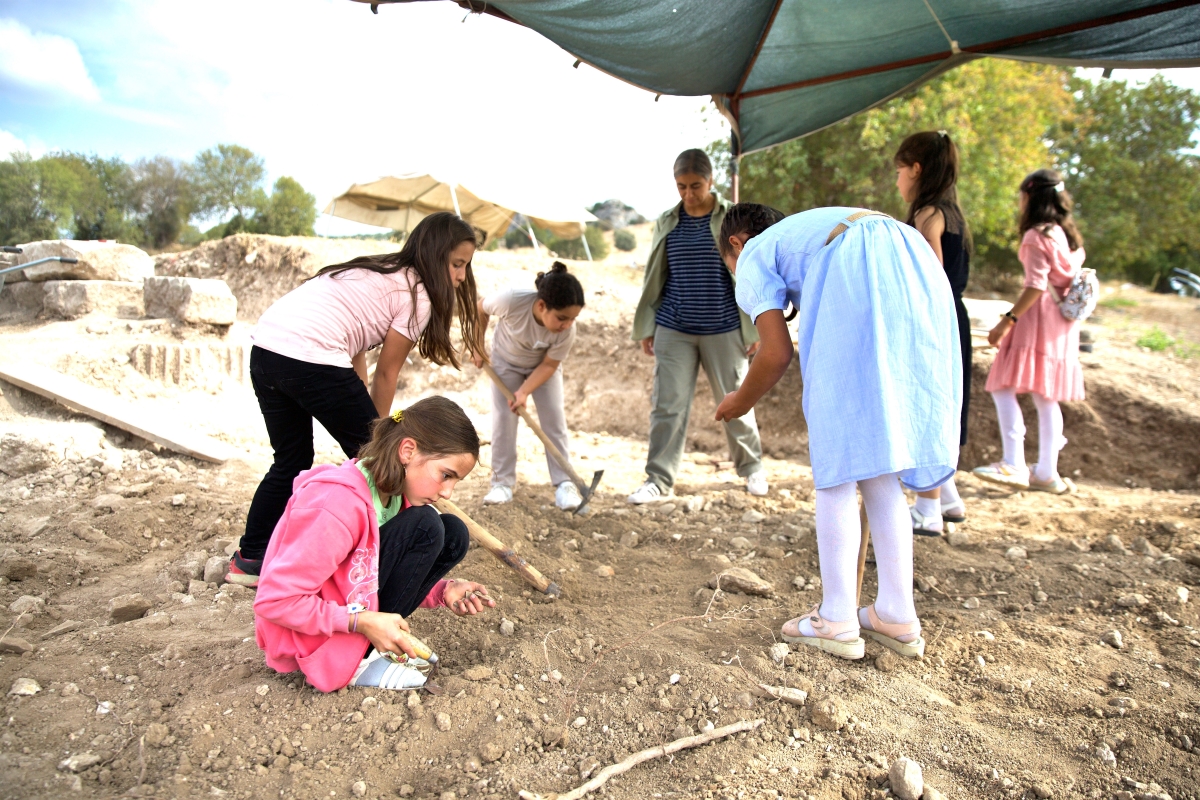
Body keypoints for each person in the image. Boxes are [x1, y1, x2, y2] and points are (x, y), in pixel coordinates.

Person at [714, 204, 960, 661]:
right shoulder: (804, 234)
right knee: (877, 458)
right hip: (913, 260)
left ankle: (837, 617)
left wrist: (741, 400)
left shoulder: (751, 254)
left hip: (858, 263)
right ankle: (896, 612)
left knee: (839, 458)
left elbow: (776, 353)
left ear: (735, 243)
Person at [227, 212, 484, 588]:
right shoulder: (417, 294)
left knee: (290, 459)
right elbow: (386, 373)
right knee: (383, 465)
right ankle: (374, 558)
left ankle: (250, 558)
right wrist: (381, 438)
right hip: (311, 356)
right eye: (457, 264)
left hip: (267, 351)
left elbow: (355, 345)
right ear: (433, 255)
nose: (461, 277)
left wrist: (367, 423)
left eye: (466, 266)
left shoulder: (375, 271)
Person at [254, 396, 496, 692]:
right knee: (427, 526)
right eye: (445, 475)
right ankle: (355, 660)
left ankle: (367, 648)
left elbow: (365, 571)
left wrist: (441, 590)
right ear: (407, 450)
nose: (447, 492)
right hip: (307, 636)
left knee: (453, 532)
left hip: (349, 610)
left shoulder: (394, 497)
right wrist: (361, 621)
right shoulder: (337, 504)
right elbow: (274, 601)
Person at [628, 148, 767, 504]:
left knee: (737, 398)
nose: (688, 194)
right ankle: (658, 480)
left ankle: (752, 468)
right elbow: (655, 275)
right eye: (681, 186)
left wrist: (753, 328)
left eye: (695, 186)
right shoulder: (667, 220)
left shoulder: (730, 218)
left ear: (711, 181)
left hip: (723, 327)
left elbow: (748, 273)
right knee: (667, 406)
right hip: (674, 327)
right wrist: (648, 326)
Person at [973, 169, 1086, 494]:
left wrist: (1007, 320)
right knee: (1045, 395)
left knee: (1001, 385)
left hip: (1037, 319)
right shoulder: (1065, 234)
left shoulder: (1036, 236)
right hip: (1063, 323)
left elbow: (1035, 286)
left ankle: (1013, 463)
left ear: (1030, 197)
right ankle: (1047, 471)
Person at [894, 130, 973, 535]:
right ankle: (949, 497)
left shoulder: (927, 216)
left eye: (900, 171)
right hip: (955, 318)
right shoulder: (954, 213)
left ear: (917, 169)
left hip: (934, 321)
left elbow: (930, 279)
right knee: (947, 399)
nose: (898, 181)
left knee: (929, 401)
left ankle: (927, 508)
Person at [472, 261, 586, 510]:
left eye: (573, 318)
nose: (567, 324)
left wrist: (524, 392)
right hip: (505, 363)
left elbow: (548, 365)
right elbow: (480, 308)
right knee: (504, 419)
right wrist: (477, 344)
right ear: (542, 305)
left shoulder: (567, 330)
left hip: (542, 369)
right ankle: (501, 483)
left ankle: (565, 484)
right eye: (562, 318)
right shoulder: (511, 300)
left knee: (554, 419)